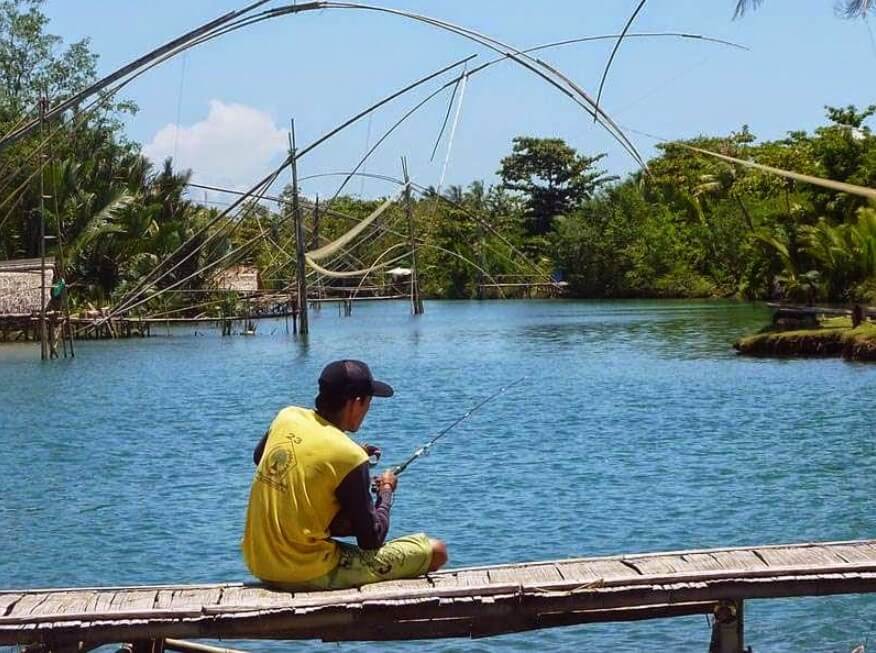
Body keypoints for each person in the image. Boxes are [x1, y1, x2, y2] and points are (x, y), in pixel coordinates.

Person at [242, 359, 448, 591]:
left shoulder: (287, 416)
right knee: (436, 551)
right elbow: (371, 540)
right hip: (304, 572)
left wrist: (330, 468)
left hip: (259, 562)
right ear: (356, 402)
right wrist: (386, 491)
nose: (368, 410)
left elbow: (261, 458)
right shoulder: (349, 456)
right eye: (369, 403)